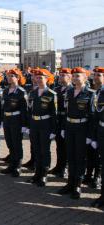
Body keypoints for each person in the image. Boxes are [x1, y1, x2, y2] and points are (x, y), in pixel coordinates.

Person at [58, 67, 95, 199]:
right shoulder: (69, 92)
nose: (74, 78)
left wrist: (90, 136)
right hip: (69, 127)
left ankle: (77, 185)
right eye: (73, 76)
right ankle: (70, 183)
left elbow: (92, 117)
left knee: (79, 157)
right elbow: (65, 112)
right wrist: (63, 128)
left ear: (85, 78)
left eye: (78, 76)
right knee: (70, 156)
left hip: (82, 128)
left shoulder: (90, 94)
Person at [26, 69, 57, 187]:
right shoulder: (32, 93)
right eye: (37, 78)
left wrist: (54, 130)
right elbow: (29, 111)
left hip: (45, 125)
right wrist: (29, 126)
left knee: (45, 150)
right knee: (36, 149)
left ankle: (44, 174)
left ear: (47, 79)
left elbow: (54, 114)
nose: (39, 79)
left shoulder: (51, 94)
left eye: (41, 78)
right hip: (34, 124)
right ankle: (37, 173)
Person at [1, 69, 28, 177]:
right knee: (10, 143)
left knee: (17, 144)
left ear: (17, 78)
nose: (9, 77)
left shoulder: (21, 92)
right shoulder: (6, 91)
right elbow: (3, 107)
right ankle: (12, 164)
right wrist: (2, 120)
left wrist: (24, 125)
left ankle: (18, 166)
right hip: (7, 120)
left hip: (16, 120)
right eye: (8, 76)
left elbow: (24, 110)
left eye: (12, 76)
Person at [50, 68, 73, 178]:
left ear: (69, 77)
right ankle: (59, 166)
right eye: (60, 75)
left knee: (66, 147)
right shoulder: (56, 89)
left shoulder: (72, 90)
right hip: (57, 119)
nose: (60, 77)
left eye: (63, 75)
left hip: (66, 120)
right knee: (59, 145)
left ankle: (65, 168)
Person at [91, 67, 104, 208]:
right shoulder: (99, 92)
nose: (95, 77)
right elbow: (96, 116)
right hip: (101, 129)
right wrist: (94, 137)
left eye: (98, 75)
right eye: (95, 75)